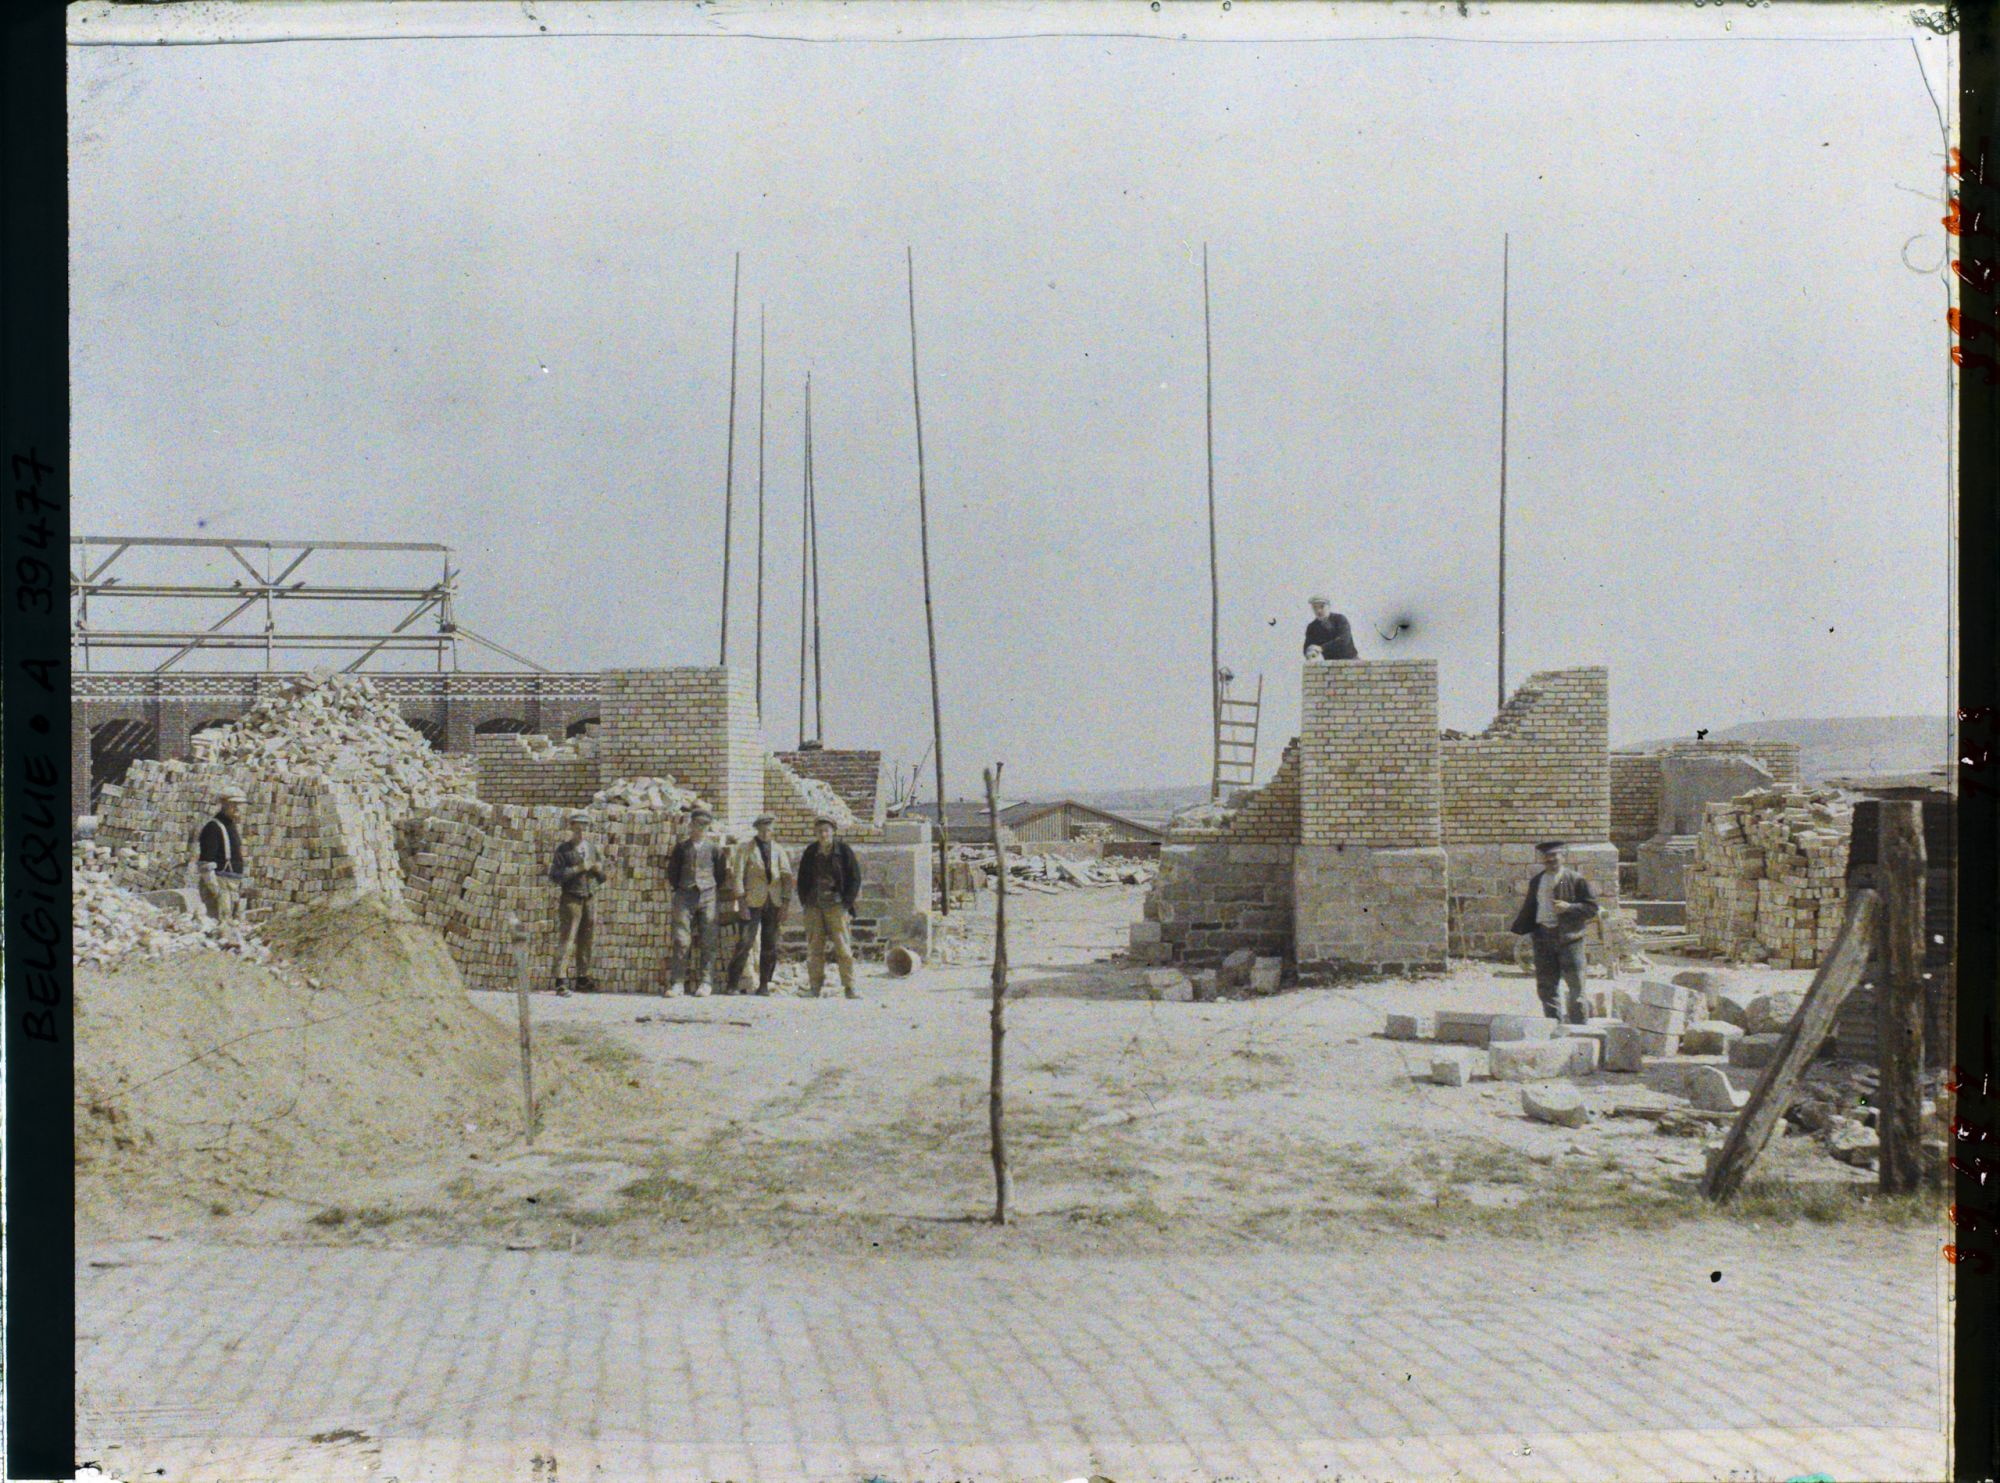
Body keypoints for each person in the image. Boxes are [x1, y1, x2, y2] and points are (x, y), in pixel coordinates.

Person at [1508, 840, 1600, 1025]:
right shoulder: (1537, 881)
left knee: (1576, 987)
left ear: (1562, 857)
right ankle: (1553, 1026)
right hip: (1543, 939)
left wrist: (1569, 907)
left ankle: (1579, 1029)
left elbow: (1592, 908)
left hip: (1570, 940)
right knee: (1546, 987)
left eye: (1554, 856)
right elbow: (1531, 907)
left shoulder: (1574, 879)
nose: (1550, 860)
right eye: (1547, 857)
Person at [726, 812, 794, 995]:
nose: (765, 833)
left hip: (773, 902)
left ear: (773, 830)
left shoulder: (778, 850)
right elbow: (737, 876)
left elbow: (787, 877)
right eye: (762, 830)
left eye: (769, 829)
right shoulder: (746, 849)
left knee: (770, 944)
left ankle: (764, 984)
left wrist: (786, 903)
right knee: (745, 942)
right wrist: (741, 901)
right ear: (757, 830)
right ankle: (732, 983)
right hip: (752, 902)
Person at [795, 815, 862, 999]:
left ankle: (849, 987)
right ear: (816, 833)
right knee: (815, 948)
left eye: (826, 831)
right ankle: (815, 987)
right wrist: (805, 902)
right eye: (819, 831)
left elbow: (855, 878)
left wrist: (846, 903)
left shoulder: (843, 851)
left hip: (836, 906)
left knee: (843, 947)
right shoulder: (810, 852)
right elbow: (801, 880)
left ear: (833, 832)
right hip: (814, 906)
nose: (823, 834)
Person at [666, 808, 731, 996]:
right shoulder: (681, 848)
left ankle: (706, 982)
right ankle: (678, 983)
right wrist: (681, 888)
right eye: (696, 824)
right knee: (681, 939)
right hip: (684, 895)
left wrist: (709, 888)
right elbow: (673, 872)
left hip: (708, 895)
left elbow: (720, 874)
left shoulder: (714, 849)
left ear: (708, 827)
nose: (699, 828)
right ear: (690, 825)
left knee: (708, 939)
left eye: (704, 825)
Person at [547, 810, 603, 996]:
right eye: (578, 829)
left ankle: (582, 978)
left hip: (589, 897)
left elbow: (602, 877)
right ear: (571, 829)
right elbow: (556, 876)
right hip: (571, 897)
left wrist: (597, 870)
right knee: (568, 937)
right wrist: (579, 868)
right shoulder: (563, 850)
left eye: (584, 829)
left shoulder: (592, 849)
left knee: (586, 938)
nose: (581, 833)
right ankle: (560, 980)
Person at [194, 784, 247, 934]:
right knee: (220, 926)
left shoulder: (231, 826)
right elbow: (206, 863)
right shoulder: (213, 827)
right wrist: (215, 890)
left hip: (231, 885)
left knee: (231, 927)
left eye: (240, 805)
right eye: (234, 804)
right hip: (221, 884)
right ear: (224, 804)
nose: (238, 808)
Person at [1303, 595, 1359, 661]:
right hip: (1330, 665)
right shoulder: (1312, 627)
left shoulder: (1340, 619)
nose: (1318, 611)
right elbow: (1307, 647)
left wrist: (1322, 648)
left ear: (1328, 606)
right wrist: (1310, 652)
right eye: (1315, 607)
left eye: (1322, 607)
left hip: (1350, 661)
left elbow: (1343, 640)